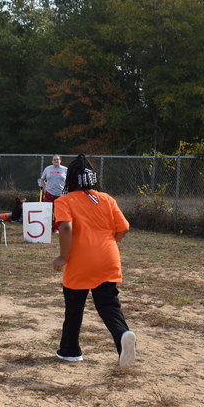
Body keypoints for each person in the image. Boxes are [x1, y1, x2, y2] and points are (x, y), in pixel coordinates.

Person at [52, 154, 136, 366]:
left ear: (70, 179)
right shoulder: (107, 198)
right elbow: (124, 227)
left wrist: (63, 256)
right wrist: (108, 243)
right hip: (108, 257)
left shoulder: (64, 201)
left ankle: (70, 350)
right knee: (108, 305)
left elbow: (66, 227)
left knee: (74, 306)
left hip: (80, 261)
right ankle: (123, 336)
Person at [38, 155, 68, 232]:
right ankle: (46, 229)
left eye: (57, 159)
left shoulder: (65, 169)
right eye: (54, 159)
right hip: (49, 193)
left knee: (58, 213)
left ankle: (55, 229)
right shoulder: (47, 169)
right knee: (47, 212)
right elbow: (42, 180)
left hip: (61, 194)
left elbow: (69, 181)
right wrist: (45, 189)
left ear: (60, 160)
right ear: (52, 161)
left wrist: (66, 190)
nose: (56, 161)